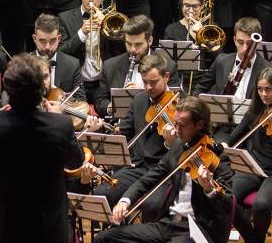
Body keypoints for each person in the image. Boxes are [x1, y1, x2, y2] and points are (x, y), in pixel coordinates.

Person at [0, 53, 84, 243]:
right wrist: (56, 118)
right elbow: (76, 160)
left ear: (7, 89)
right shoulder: (60, 125)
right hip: (46, 223)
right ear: (42, 88)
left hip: (2, 223)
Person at [95, 97, 235, 243]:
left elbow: (228, 204)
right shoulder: (179, 148)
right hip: (169, 223)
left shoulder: (218, 158)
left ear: (199, 124)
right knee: (105, 238)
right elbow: (149, 178)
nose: (177, 130)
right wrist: (125, 201)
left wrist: (209, 189)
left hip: (197, 229)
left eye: (182, 126)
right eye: (175, 124)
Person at [93, 54, 175, 221]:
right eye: (145, 82)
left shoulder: (179, 106)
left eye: (153, 82)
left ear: (166, 77)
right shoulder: (139, 100)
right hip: (137, 167)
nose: (148, 88)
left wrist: (170, 142)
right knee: (102, 193)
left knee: (151, 205)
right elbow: (124, 133)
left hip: (162, 171)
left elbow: (184, 147)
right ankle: (118, 234)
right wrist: (105, 139)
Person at [227, 66, 272, 243]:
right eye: (260, 89)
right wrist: (221, 145)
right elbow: (235, 135)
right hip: (255, 167)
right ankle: (252, 239)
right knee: (228, 197)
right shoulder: (257, 109)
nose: (263, 94)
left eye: (268, 89)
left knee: (261, 205)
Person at [95, 15, 179, 117]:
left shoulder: (168, 66)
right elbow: (100, 101)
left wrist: (142, 95)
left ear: (150, 41)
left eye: (138, 44)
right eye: (129, 44)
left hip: (154, 126)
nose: (133, 49)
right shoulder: (111, 65)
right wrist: (112, 106)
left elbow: (174, 104)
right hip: (119, 126)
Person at [59, 0, 118, 101]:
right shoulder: (65, 18)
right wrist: (82, 33)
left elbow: (122, 50)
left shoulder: (112, 20)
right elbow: (61, 53)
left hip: (104, 84)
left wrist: (107, 27)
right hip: (77, 85)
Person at [192, 17, 272, 107]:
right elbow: (200, 89)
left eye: (249, 44)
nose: (244, 48)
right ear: (234, 40)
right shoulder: (221, 61)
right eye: (240, 42)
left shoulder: (267, 69)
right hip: (221, 117)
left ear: (257, 43)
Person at [30, 14, 85, 102]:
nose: (47, 47)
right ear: (34, 38)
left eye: (52, 41)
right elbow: (7, 96)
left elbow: (81, 101)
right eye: (43, 41)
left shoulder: (72, 65)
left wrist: (62, 97)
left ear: (59, 38)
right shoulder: (24, 64)